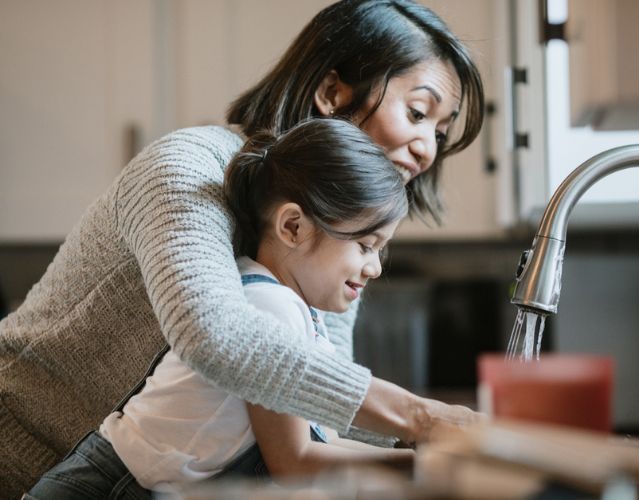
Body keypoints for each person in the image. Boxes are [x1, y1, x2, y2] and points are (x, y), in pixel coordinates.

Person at [0, 0, 484, 495]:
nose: (428, 149)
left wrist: (439, 457)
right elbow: (215, 336)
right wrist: (422, 418)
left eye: (440, 133)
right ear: (332, 92)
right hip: (20, 457)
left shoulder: (324, 243)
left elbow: (316, 403)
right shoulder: (187, 168)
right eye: (418, 112)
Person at [26, 119, 416, 498]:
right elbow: (295, 461)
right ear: (293, 227)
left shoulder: (291, 305)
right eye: (365, 245)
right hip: (108, 487)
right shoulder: (269, 306)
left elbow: (323, 438)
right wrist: (423, 466)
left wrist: (415, 459)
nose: (376, 267)